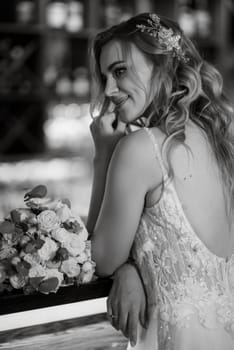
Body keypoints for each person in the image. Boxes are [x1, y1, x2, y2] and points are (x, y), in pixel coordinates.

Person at [86, 12, 234, 349]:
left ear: (163, 67)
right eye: (104, 76)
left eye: (120, 71)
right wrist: (135, 267)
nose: (109, 90)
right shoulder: (224, 141)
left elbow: (100, 260)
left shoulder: (140, 149)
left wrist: (102, 155)